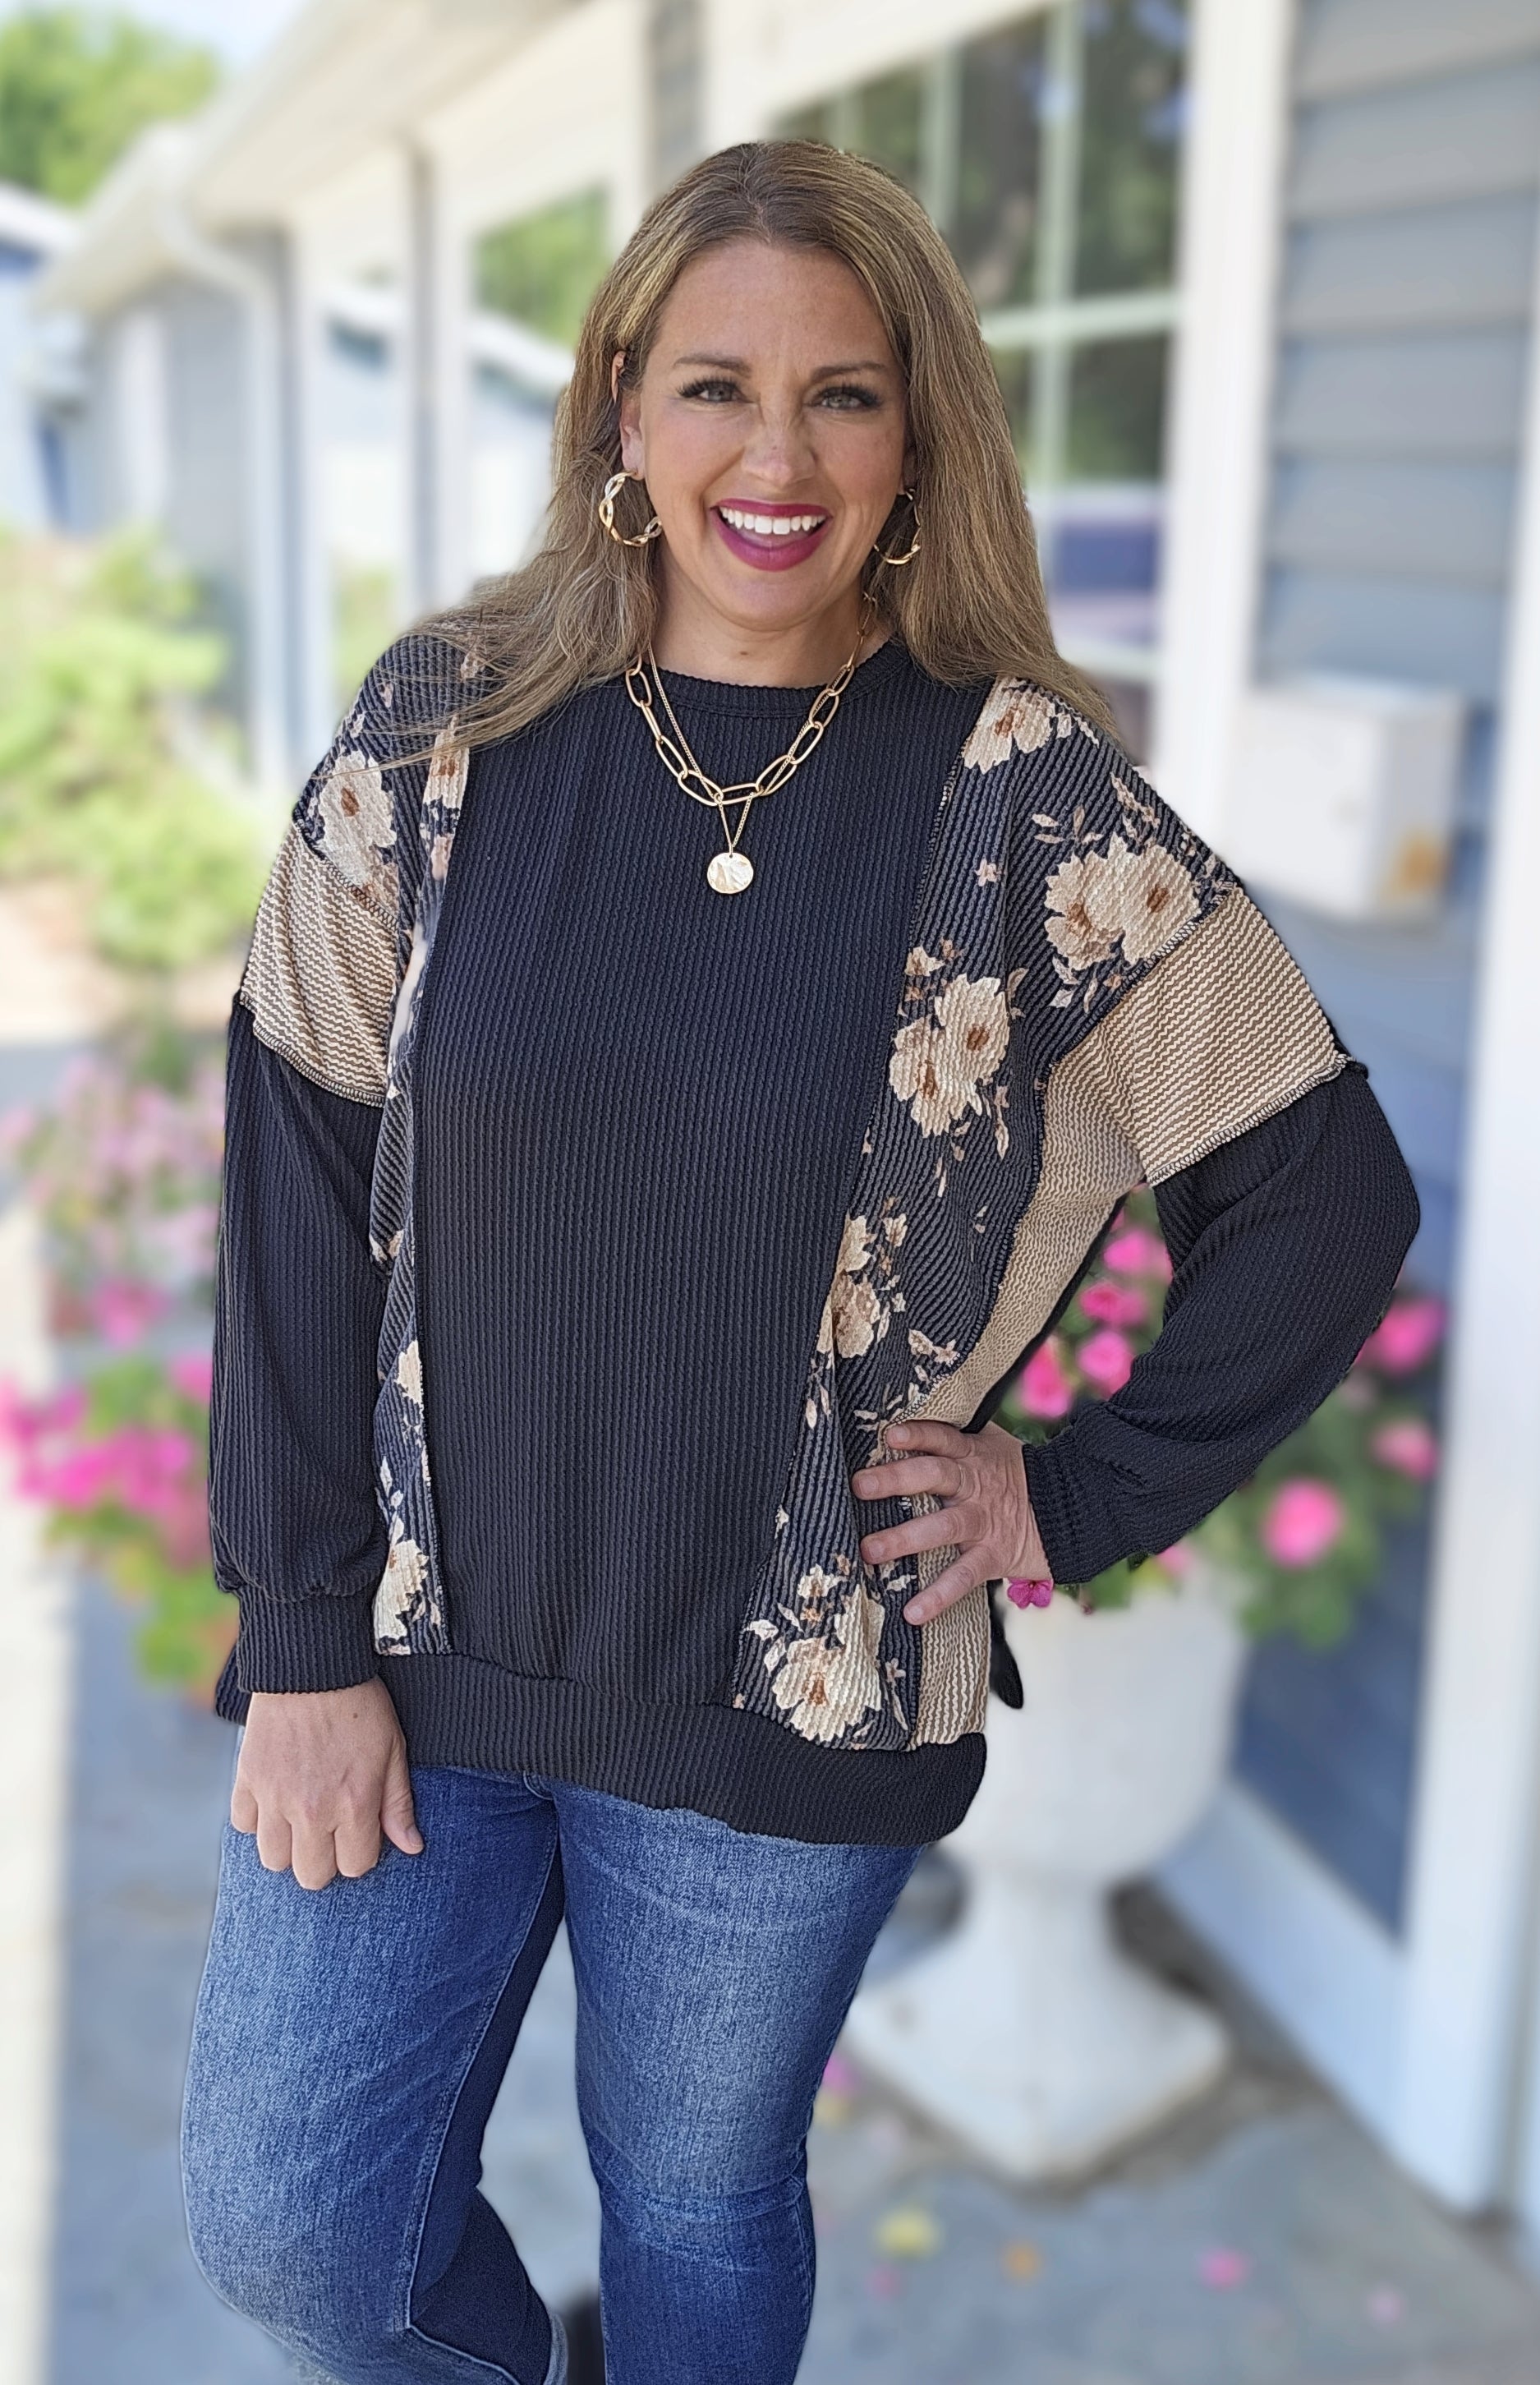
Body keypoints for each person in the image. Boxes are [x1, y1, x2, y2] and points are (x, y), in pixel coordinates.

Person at [180, 140, 1418, 2385]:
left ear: (917, 438)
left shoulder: (1019, 798)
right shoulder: (443, 732)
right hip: (416, 1650)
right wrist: (295, 1634)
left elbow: (1323, 1190)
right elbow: (287, 1169)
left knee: (692, 2202)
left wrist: (1072, 1492)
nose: (778, 457)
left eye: (844, 395)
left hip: (796, 1689)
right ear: (620, 412)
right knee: (291, 2230)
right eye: (717, 388)